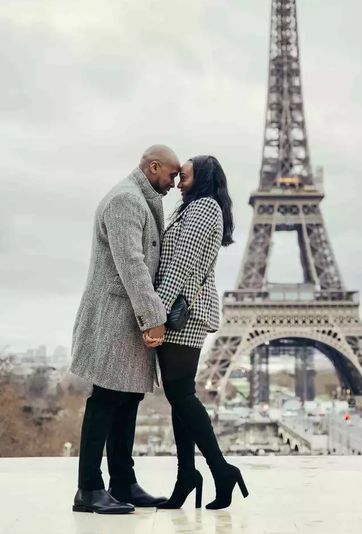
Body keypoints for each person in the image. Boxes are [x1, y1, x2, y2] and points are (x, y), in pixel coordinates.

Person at [70, 145, 180, 514]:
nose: (175, 182)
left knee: (128, 399)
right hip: (116, 317)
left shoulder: (141, 198)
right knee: (104, 400)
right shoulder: (126, 201)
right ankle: (88, 488)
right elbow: (131, 264)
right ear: (153, 167)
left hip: (127, 317)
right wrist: (155, 317)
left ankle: (123, 482)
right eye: (171, 174)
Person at [143, 155, 249, 510]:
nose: (179, 176)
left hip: (181, 314)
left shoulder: (204, 208)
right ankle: (187, 474)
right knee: (178, 396)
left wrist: (153, 313)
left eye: (184, 172)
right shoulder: (195, 208)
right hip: (180, 310)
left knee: (183, 395)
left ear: (201, 176)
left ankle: (220, 469)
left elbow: (180, 266)